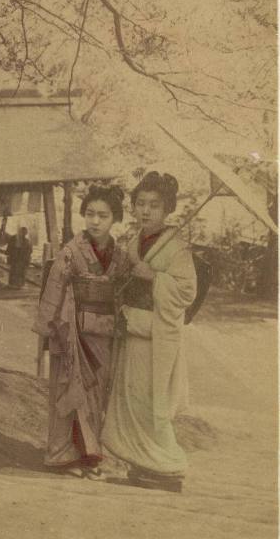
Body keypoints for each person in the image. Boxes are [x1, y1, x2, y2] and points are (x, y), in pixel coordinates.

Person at [102, 171, 197, 492]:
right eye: (140, 203)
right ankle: (143, 465)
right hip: (132, 328)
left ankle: (168, 467)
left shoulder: (176, 247)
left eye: (154, 205)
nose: (146, 211)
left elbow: (186, 292)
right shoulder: (134, 241)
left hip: (155, 335)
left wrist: (154, 277)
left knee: (150, 402)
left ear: (167, 209)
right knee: (131, 397)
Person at [33, 185, 129, 478]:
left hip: (104, 334)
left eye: (103, 215)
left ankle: (89, 455)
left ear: (115, 218)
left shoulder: (122, 256)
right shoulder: (71, 252)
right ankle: (61, 454)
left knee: (95, 397)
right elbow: (53, 289)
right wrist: (49, 329)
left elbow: (125, 294)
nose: (95, 221)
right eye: (90, 214)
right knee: (67, 390)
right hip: (71, 330)